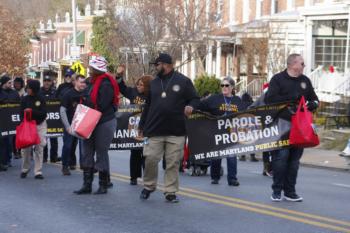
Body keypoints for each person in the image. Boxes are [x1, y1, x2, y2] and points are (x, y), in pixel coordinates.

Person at [138, 53, 199, 203]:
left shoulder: (183, 81)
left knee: (173, 162)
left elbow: (195, 98)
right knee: (150, 158)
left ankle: (170, 192)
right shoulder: (154, 83)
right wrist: (141, 125)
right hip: (154, 129)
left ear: (166, 64)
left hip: (176, 131)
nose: (156, 67)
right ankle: (149, 186)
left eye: (157, 64)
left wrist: (191, 105)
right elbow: (147, 106)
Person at [264, 54, 319, 202]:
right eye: (302, 64)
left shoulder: (305, 80)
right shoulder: (278, 79)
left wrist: (314, 103)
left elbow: (314, 98)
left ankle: (290, 191)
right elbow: (269, 99)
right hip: (281, 125)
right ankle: (277, 191)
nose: (304, 66)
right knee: (281, 158)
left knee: (294, 161)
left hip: (299, 126)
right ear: (293, 64)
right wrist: (291, 100)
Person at [74, 56, 119, 195]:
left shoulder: (105, 84)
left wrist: (86, 106)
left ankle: (103, 184)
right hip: (89, 120)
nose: (89, 70)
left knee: (101, 152)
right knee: (87, 151)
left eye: (91, 68)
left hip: (103, 121)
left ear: (97, 69)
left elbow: (102, 105)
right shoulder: (91, 82)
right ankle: (87, 185)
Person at [195, 77, 243, 186]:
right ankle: (215, 177)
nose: (224, 88)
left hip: (232, 133)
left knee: (231, 156)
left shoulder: (237, 100)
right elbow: (201, 106)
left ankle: (232, 179)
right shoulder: (214, 99)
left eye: (226, 85)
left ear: (232, 87)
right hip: (217, 131)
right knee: (216, 156)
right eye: (222, 85)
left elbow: (246, 111)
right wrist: (191, 106)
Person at [116, 65, 152, 185]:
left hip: (147, 129)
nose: (139, 86)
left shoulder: (152, 96)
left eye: (142, 85)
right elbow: (122, 88)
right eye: (138, 84)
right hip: (134, 129)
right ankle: (133, 177)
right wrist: (119, 76)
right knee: (135, 152)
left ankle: (147, 178)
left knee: (146, 154)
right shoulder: (133, 93)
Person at [60, 75, 87, 176]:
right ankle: (65, 166)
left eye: (84, 82)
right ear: (75, 82)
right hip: (71, 124)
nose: (83, 85)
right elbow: (62, 110)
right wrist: (67, 126)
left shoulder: (86, 93)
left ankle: (84, 165)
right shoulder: (68, 94)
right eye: (81, 82)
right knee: (68, 146)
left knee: (84, 147)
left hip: (83, 124)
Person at [20, 80, 47, 179]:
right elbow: (20, 113)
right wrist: (22, 124)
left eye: (29, 88)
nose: (27, 89)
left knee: (39, 148)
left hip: (40, 125)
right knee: (25, 149)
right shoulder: (24, 99)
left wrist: (32, 111)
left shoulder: (41, 99)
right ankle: (25, 169)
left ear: (34, 89)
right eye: (27, 87)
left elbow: (44, 113)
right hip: (27, 126)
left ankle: (38, 171)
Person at [0, 76, 20, 170]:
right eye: (8, 82)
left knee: (9, 141)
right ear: (3, 83)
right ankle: (3, 161)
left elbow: (18, 105)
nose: (11, 84)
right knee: (3, 141)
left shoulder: (14, 93)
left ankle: (7, 159)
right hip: (1, 120)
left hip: (11, 121)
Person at [40, 73, 58, 163]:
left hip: (53, 118)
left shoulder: (55, 92)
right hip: (43, 118)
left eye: (48, 81)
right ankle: (44, 157)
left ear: (51, 82)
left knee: (54, 138)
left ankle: (53, 157)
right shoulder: (39, 92)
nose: (47, 83)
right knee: (44, 139)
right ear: (43, 82)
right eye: (45, 81)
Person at [239, 92, 258, 162]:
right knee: (252, 141)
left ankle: (243, 156)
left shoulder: (240, 104)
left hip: (242, 124)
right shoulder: (252, 104)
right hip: (251, 124)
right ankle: (252, 156)